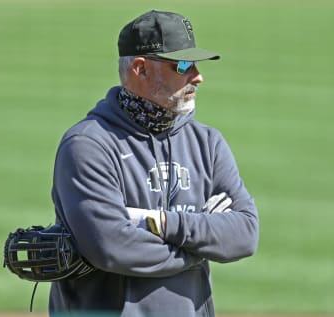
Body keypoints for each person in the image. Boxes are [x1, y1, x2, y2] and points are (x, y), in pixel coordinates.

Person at [49, 9, 259, 317]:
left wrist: (162, 223)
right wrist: (200, 246)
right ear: (140, 69)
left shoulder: (208, 144)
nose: (198, 76)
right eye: (183, 65)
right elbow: (113, 249)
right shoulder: (88, 146)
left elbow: (245, 234)